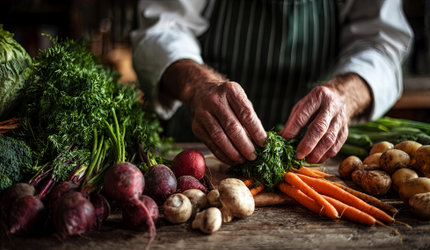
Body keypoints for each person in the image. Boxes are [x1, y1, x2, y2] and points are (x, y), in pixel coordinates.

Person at [131, 0, 413, 165]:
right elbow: (163, 26)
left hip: (316, 159)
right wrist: (196, 85)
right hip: (204, 145)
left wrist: (344, 95)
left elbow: (381, 41)